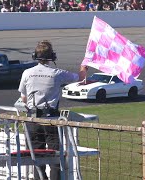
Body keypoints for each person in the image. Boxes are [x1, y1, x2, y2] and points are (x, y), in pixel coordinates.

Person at [18, 40, 84, 180]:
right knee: (55, 158)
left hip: (33, 120)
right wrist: (84, 66)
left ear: (34, 56)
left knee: (36, 159)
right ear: (52, 57)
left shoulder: (27, 73)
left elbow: (23, 98)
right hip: (51, 121)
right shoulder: (57, 73)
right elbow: (81, 78)